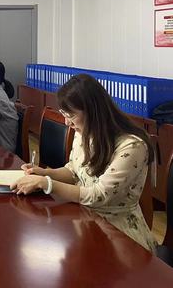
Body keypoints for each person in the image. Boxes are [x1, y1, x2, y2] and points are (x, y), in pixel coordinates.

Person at [11, 73, 157, 253]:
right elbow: (74, 170)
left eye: (70, 115)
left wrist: (47, 183)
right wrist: (44, 173)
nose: (67, 122)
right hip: (84, 218)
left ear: (93, 111)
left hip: (119, 234)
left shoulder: (132, 146)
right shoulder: (84, 133)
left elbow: (100, 195)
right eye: (64, 114)